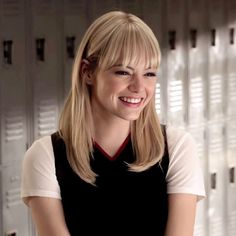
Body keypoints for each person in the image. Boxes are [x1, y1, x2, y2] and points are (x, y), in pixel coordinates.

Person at [21, 10, 205, 236]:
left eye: (149, 73)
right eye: (123, 72)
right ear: (87, 72)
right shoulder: (44, 156)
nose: (139, 87)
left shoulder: (177, 147)